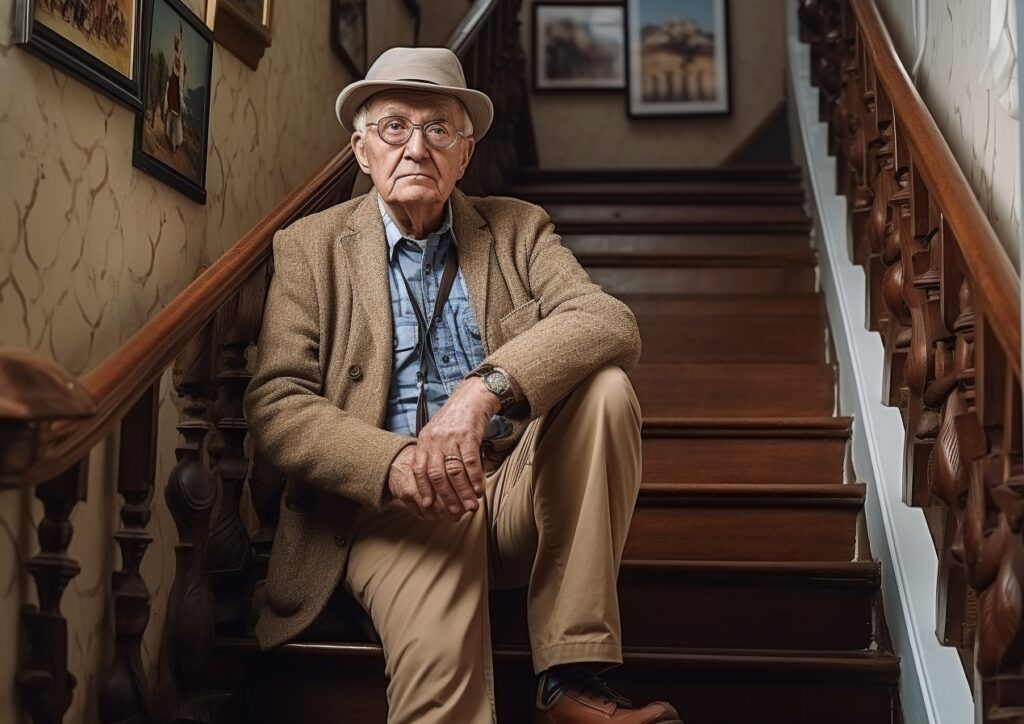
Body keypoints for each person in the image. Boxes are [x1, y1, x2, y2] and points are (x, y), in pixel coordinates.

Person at [244, 46, 683, 724]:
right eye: (394, 127)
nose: (416, 147)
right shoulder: (308, 247)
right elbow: (277, 408)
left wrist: (481, 392)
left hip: (510, 493)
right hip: (387, 505)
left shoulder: (517, 228)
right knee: (439, 680)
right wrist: (395, 462)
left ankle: (570, 675)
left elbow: (607, 319)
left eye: (438, 128)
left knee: (606, 391)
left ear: (465, 153)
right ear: (361, 150)